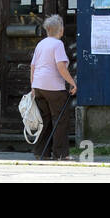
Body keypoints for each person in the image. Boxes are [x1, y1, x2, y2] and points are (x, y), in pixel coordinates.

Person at [29, 15, 76, 160]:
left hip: (39, 87)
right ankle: (60, 154)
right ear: (60, 29)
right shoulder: (57, 44)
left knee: (45, 119)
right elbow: (61, 66)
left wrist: (33, 87)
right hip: (53, 87)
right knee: (60, 120)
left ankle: (41, 153)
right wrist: (72, 83)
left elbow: (33, 66)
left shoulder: (41, 44)